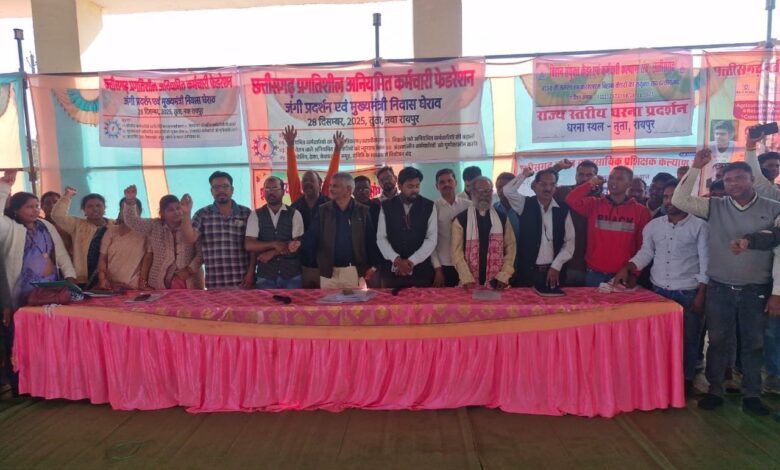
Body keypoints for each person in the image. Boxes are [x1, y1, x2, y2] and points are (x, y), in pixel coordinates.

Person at [672, 145, 780, 416]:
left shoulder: (773, 208)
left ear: (752, 179)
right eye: (728, 180)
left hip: (757, 289)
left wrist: (777, 291)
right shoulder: (715, 206)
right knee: (718, 341)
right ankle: (715, 390)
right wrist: (696, 167)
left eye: (739, 178)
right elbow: (680, 200)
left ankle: (752, 394)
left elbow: (779, 251)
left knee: (754, 343)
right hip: (719, 287)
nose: (733, 184)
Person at [613, 179, 708, 395]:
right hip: (659, 293)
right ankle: (661, 381)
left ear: (686, 199)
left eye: (674, 196)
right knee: (659, 341)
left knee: (688, 340)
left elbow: (706, 262)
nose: (668, 201)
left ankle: (685, 382)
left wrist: (701, 294)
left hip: (688, 292)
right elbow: (646, 253)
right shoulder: (654, 226)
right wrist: (628, 267)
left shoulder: (700, 227)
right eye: (666, 197)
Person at [0, 170, 77, 310]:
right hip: (24, 291)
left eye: (37, 206)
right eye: (29, 207)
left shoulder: (45, 225)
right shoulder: (10, 227)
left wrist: (70, 275)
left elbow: (61, 253)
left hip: (51, 287)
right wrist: (4, 188)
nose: (35, 210)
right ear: (16, 209)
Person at [565, 165, 651, 287]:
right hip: (594, 273)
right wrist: (591, 183)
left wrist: (634, 273)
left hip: (622, 274)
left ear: (629, 183)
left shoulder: (641, 211)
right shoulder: (594, 204)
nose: (613, 182)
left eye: (619, 179)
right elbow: (571, 199)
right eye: (611, 178)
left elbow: (643, 245)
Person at [285, 127, 346, 288]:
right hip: (302, 264)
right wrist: (290, 146)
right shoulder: (296, 202)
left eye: (311, 180)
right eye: (304, 181)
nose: (307, 183)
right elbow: (292, 174)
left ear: (320, 184)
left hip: (328, 264)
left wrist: (337, 151)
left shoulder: (328, 202)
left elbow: (332, 174)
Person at [303, 172, 378, 289]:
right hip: (328, 272)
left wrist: (373, 266)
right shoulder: (323, 210)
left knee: (354, 302)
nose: (330, 189)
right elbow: (312, 237)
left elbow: (370, 240)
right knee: (328, 302)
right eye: (330, 185)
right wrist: (298, 245)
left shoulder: (363, 211)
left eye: (335, 186)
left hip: (354, 271)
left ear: (348, 190)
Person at [179, 171, 252, 289]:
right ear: (211, 191)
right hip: (215, 283)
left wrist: (251, 273)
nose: (221, 190)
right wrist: (186, 213)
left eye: (225, 186)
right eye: (216, 187)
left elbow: (253, 247)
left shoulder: (246, 213)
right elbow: (190, 238)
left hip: (243, 282)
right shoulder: (202, 214)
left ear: (232, 190)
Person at [122, 185, 204, 290]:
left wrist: (189, 270)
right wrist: (130, 201)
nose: (176, 212)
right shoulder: (155, 225)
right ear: (162, 213)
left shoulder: (191, 226)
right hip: (159, 282)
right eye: (170, 209)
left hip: (190, 281)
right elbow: (133, 222)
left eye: (178, 208)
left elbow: (201, 253)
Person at [504, 167, 574, 288]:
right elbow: (507, 191)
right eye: (543, 184)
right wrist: (524, 175)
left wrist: (556, 265)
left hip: (555, 272)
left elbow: (570, 242)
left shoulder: (562, 209)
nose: (548, 188)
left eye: (552, 184)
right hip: (528, 273)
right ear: (535, 185)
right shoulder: (524, 204)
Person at [377, 167, 437, 288]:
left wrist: (411, 261)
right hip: (393, 271)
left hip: (421, 271)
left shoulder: (429, 206)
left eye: (417, 186)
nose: (415, 190)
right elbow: (381, 238)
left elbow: (431, 239)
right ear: (400, 186)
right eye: (410, 186)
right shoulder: (386, 206)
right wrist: (397, 260)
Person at [451, 176, 516, 288]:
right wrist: (466, 277)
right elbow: (456, 253)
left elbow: (511, 248)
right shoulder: (461, 220)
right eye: (480, 190)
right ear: (472, 192)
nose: (485, 194)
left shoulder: (502, 218)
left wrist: (504, 275)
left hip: (497, 282)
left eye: (488, 191)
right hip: (469, 282)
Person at [244, 176, 303, 289]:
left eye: (274, 188)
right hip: (266, 276)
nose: (270, 192)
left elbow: (297, 244)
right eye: (267, 189)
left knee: (295, 302)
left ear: (283, 191)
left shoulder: (294, 214)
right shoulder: (256, 214)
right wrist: (274, 244)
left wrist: (273, 253)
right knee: (265, 302)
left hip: (292, 275)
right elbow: (249, 245)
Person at [553, 159, 600, 286]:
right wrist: (556, 168)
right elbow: (539, 185)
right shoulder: (563, 192)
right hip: (562, 262)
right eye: (581, 174)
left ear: (595, 177)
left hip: (591, 266)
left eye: (589, 175)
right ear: (575, 175)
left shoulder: (601, 200)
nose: (584, 178)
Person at [51, 187, 112, 284]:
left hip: (110, 275)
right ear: (84, 210)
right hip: (85, 277)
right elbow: (57, 215)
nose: (95, 209)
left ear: (104, 208)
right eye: (90, 206)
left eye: (98, 205)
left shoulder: (114, 225)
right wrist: (67, 196)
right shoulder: (77, 225)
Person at [96, 197, 148, 291]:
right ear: (120, 211)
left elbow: (147, 259)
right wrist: (102, 279)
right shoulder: (111, 231)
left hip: (134, 286)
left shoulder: (145, 233)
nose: (127, 212)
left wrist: (142, 281)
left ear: (139, 212)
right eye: (124, 209)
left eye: (132, 209)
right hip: (110, 286)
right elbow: (102, 258)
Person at [432, 168, 471, 287]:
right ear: (437, 186)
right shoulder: (433, 208)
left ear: (456, 183)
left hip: (467, 263)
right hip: (444, 265)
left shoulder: (468, 205)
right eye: (442, 182)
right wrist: (438, 269)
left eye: (449, 180)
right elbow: (430, 240)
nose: (446, 184)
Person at [40, 191, 72, 256]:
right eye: (47, 203)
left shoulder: (70, 225)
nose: (52, 206)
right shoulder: (38, 225)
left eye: (56, 202)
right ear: (42, 207)